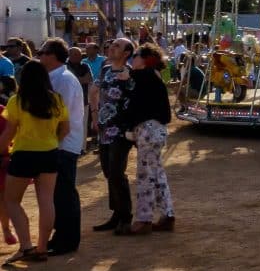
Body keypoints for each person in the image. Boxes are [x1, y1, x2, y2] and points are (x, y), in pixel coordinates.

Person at [0, 60, 68, 264]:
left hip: (23, 155)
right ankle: (42, 248)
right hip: (49, 153)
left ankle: (25, 246)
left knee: (12, 201)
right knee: (46, 201)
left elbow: (8, 134)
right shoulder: (56, 99)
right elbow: (65, 129)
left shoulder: (17, 101)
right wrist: (52, 141)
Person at [118, 43, 174, 234]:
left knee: (145, 176)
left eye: (135, 56)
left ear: (145, 59)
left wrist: (127, 73)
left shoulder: (147, 74)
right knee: (156, 174)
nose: (132, 59)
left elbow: (132, 75)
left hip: (148, 130)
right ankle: (167, 214)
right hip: (155, 130)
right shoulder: (151, 76)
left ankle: (144, 219)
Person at [36, 38, 83, 255]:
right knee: (57, 194)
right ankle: (60, 236)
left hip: (62, 144)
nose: (39, 55)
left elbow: (57, 118)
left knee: (64, 194)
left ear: (53, 56)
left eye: (42, 52)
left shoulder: (63, 80)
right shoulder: (55, 78)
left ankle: (68, 240)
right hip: (57, 144)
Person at [90, 37, 135, 233]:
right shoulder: (105, 70)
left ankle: (125, 217)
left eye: (117, 46)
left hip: (120, 132)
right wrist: (94, 115)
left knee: (117, 173)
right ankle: (116, 214)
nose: (111, 48)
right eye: (112, 45)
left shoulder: (130, 75)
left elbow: (134, 102)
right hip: (104, 129)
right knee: (109, 173)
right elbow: (95, 91)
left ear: (126, 53)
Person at [0, 76, 17, 246]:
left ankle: (6, 229)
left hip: (2, 160)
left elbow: (10, 135)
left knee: (3, 198)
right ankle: (6, 230)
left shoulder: (3, 111)